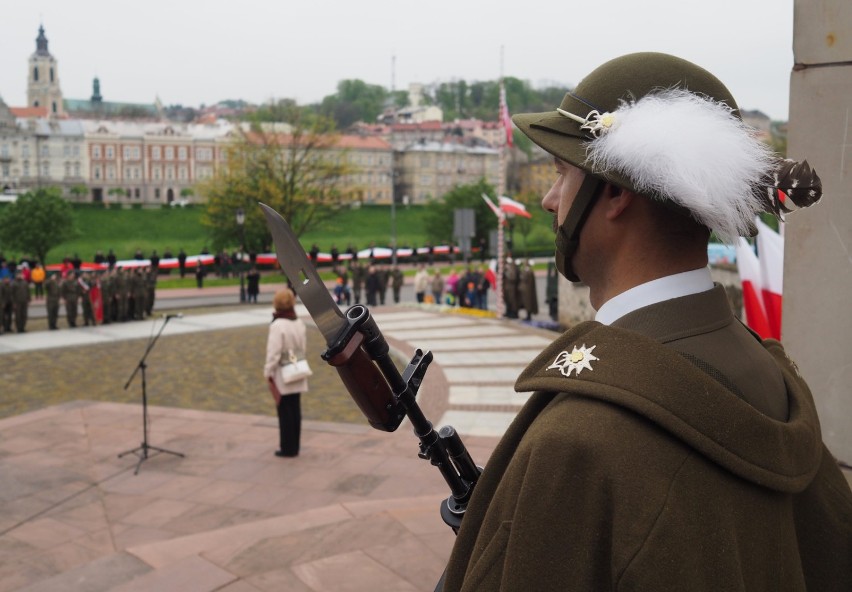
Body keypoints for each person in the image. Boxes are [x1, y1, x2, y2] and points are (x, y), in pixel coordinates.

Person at [442, 52, 852, 591]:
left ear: (614, 192)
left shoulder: (578, 442)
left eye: (562, 175)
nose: (547, 200)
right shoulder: (767, 373)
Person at [264, 288, 308, 458]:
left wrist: (268, 371)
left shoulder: (277, 325)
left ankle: (287, 447)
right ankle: (295, 445)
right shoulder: (298, 322)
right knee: (295, 409)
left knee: (284, 411)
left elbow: (273, 353)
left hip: (282, 371)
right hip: (297, 366)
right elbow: (303, 347)